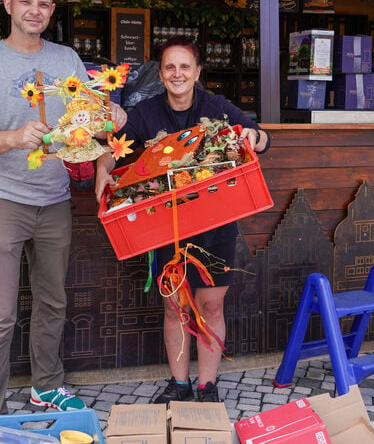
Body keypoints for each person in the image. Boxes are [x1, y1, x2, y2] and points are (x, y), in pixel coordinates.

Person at [0, 0, 126, 419]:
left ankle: (46, 389)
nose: (35, 10)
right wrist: (14, 137)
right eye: (26, 1)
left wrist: (113, 116)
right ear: (9, 6)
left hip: (54, 200)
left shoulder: (67, 59)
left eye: (44, 4)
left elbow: (90, 119)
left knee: (53, 302)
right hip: (2, 199)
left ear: (52, 11)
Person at [95, 36, 268, 404]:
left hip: (216, 225)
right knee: (176, 307)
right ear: (161, 73)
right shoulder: (146, 112)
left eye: (185, 67)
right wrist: (102, 170)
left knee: (211, 306)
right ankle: (180, 384)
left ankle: (207, 386)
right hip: (166, 227)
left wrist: (255, 135)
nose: (177, 74)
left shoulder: (216, 107)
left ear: (197, 72)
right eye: (170, 67)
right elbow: (113, 150)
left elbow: (259, 137)